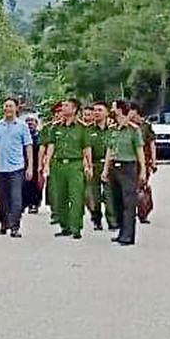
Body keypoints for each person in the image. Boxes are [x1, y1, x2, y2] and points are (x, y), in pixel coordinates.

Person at [43, 98, 91, 240]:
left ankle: (76, 227)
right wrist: (47, 163)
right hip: (58, 164)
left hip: (75, 164)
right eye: (62, 106)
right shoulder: (55, 127)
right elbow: (51, 146)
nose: (63, 108)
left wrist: (88, 165)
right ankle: (65, 226)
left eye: (66, 106)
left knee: (76, 197)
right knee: (59, 196)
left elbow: (86, 148)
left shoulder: (82, 128)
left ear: (74, 109)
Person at [0, 97, 33, 238]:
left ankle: (14, 226)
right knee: (1, 198)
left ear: (16, 108)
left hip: (16, 168)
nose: (8, 109)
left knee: (16, 198)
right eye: (6, 106)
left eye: (11, 106)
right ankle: (4, 224)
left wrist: (29, 166)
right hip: (0, 168)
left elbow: (28, 146)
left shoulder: (22, 126)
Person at [102, 100, 145, 246]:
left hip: (128, 167)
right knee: (117, 202)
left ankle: (128, 235)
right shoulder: (113, 129)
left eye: (114, 107)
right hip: (115, 166)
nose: (112, 110)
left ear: (120, 110)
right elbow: (109, 149)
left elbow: (140, 151)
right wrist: (105, 170)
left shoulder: (133, 130)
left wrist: (143, 170)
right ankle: (121, 231)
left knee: (128, 202)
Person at [83, 102, 112, 231]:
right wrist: (87, 166)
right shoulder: (88, 130)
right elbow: (84, 149)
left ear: (107, 113)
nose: (96, 112)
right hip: (93, 164)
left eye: (100, 110)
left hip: (109, 165)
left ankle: (113, 221)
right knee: (93, 195)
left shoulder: (112, 130)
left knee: (110, 195)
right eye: (94, 110)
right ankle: (96, 219)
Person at [131, 104, 157, 224]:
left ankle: (143, 212)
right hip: (129, 161)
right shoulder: (126, 126)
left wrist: (154, 161)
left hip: (144, 161)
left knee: (142, 187)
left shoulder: (145, 127)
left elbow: (152, 144)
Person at [21, 110, 43, 214]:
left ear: (36, 123)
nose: (30, 124)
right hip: (23, 163)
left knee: (36, 185)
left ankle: (35, 204)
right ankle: (24, 203)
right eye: (27, 121)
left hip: (36, 163)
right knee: (24, 184)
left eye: (32, 121)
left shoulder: (39, 136)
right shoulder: (22, 136)